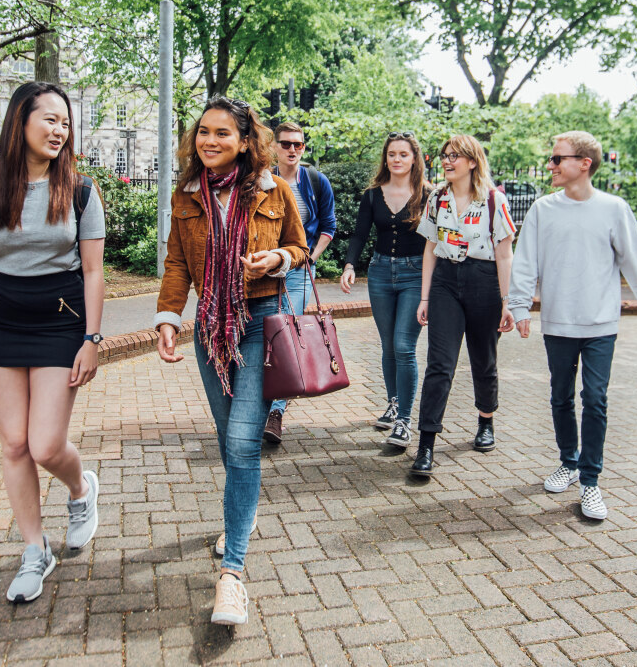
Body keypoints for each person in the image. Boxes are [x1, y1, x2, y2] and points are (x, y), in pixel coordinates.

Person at [0, 81, 107, 604]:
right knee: (14, 443)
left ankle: (81, 488)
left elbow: (93, 272)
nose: (61, 130)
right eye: (50, 120)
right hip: (1, 319)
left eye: (66, 122)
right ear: (20, 122)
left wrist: (92, 339)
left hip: (61, 320)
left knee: (44, 445)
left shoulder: (81, 191)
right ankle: (35, 551)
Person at [154, 97, 308, 627]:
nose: (210, 141)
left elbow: (301, 249)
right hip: (211, 330)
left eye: (222, 133)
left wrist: (279, 259)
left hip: (260, 320)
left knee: (244, 441)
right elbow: (176, 261)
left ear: (245, 141)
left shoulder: (273, 188)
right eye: (203, 132)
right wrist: (169, 317)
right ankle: (243, 512)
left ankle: (233, 574)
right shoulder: (187, 194)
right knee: (228, 440)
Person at [509, 131, 637, 522]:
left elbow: (636, 262)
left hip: (601, 323)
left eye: (557, 158)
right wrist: (519, 307)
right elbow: (525, 261)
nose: (551, 165)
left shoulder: (613, 209)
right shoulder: (543, 210)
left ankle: (590, 481)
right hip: (559, 323)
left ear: (584, 163)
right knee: (561, 396)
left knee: (595, 399)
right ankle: (568, 461)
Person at [411, 134, 516, 478]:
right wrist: (425, 297)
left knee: (483, 360)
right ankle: (426, 444)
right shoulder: (436, 199)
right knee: (440, 364)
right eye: (444, 155)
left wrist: (506, 302)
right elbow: (429, 249)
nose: (446, 160)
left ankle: (486, 420)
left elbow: (504, 253)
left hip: (483, 281)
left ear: (472, 161)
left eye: (454, 156)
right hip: (445, 282)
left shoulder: (492, 200)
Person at [340, 132, 430, 449]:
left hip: (415, 275)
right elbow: (359, 234)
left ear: (414, 158)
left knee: (404, 346)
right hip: (380, 274)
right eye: (392, 154)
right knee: (389, 345)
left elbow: (437, 242)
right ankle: (393, 404)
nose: (397, 159)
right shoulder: (373, 194)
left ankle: (404, 421)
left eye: (403, 154)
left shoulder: (428, 195)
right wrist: (350, 265)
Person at [263, 121, 336, 444]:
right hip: (263, 271)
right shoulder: (262, 180)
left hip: (297, 271)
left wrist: (311, 256)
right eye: (286, 143)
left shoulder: (316, 182)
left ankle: (275, 412)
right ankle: (257, 406)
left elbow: (328, 227)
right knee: (261, 335)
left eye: (299, 144)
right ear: (274, 147)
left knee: (287, 335)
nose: (293, 149)